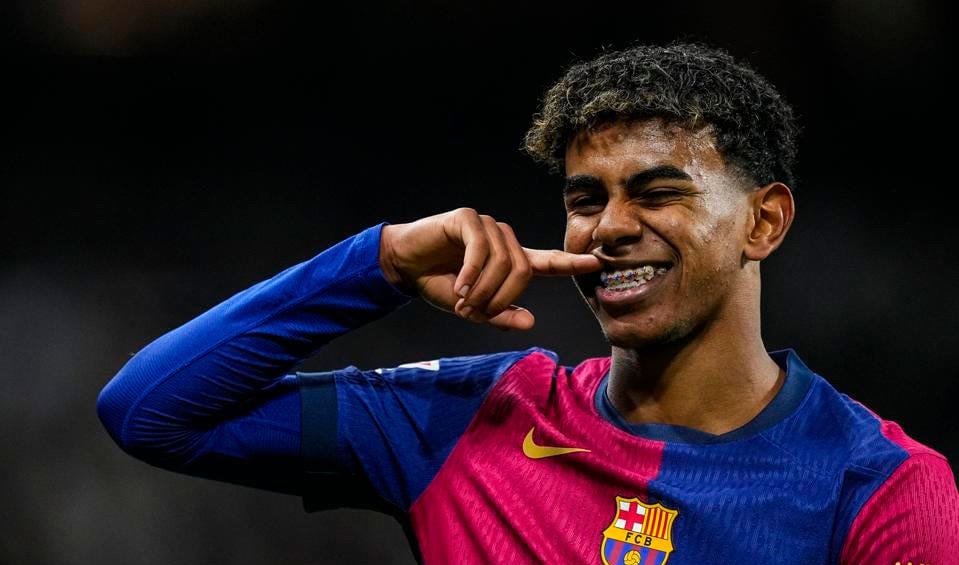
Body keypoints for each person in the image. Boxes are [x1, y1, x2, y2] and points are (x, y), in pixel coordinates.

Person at [97, 43, 959, 564]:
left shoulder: (877, 487)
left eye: (657, 192)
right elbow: (149, 410)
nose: (609, 227)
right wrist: (377, 262)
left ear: (761, 222)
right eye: (585, 199)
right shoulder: (470, 418)